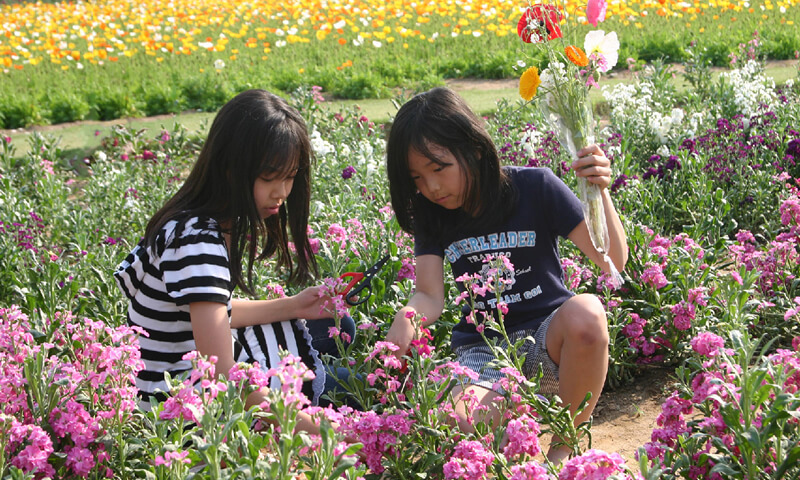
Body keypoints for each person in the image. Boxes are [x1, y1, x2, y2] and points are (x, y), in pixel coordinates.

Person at [383, 87, 628, 463]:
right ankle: (515, 443)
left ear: (474, 148)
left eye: (439, 168)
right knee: (461, 423)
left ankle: (565, 447)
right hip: (483, 352)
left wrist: (600, 192)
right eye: (416, 177)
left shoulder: (535, 187)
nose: (430, 187)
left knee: (588, 313)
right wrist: (407, 316)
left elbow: (612, 259)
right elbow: (429, 295)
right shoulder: (431, 214)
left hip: (550, 341)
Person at [114, 89, 354, 433]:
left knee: (338, 328)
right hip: (183, 409)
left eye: (290, 176)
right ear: (230, 168)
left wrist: (296, 306)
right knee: (351, 388)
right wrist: (320, 429)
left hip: (191, 377)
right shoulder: (198, 241)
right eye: (269, 177)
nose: (282, 193)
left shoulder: (196, 220)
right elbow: (222, 372)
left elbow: (213, 311)